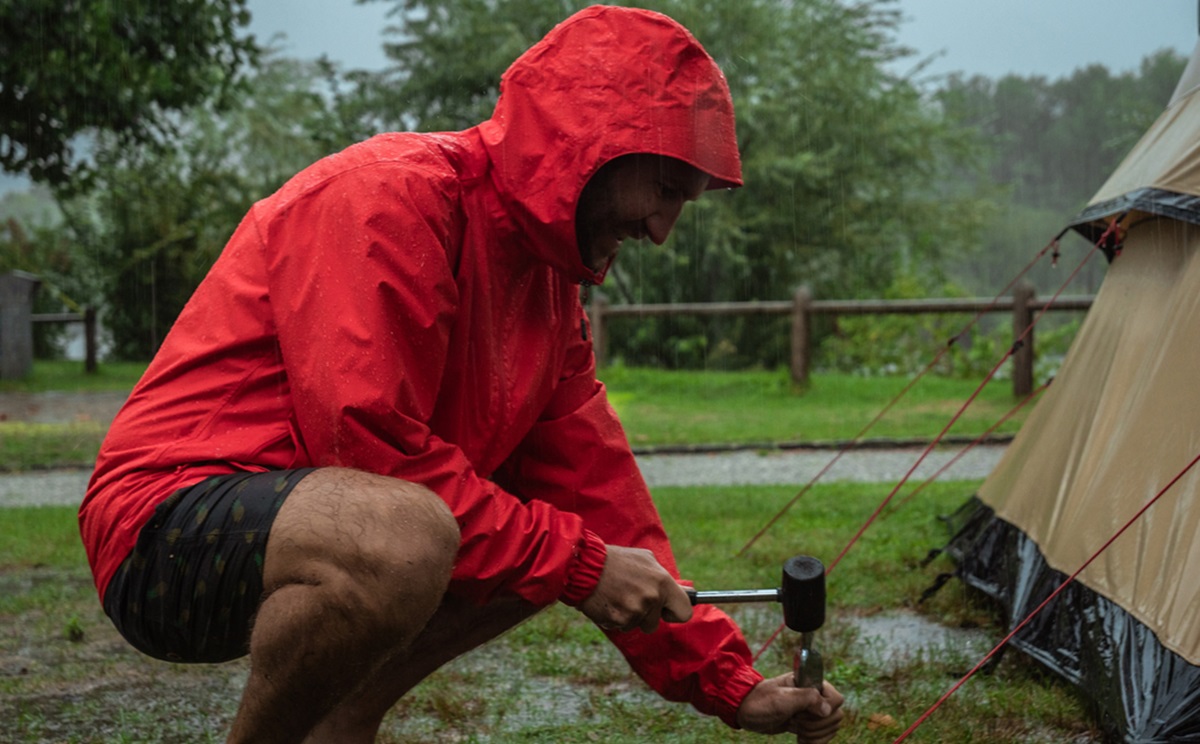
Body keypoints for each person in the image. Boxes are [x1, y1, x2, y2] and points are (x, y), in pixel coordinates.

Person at [79, 5, 845, 742]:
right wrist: (579, 562)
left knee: (547, 531)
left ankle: (339, 722)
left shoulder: (552, 294)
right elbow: (366, 445)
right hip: (167, 529)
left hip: (326, 525)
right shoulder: (390, 197)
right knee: (447, 536)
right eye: (667, 190)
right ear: (593, 146)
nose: (662, 229)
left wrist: (731, 684)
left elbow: (600, 498)